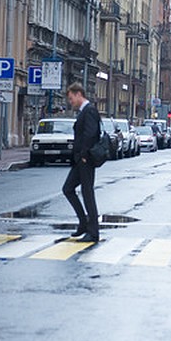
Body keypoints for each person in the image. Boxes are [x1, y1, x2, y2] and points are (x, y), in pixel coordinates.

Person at [62, 82, 101, 243]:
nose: (71, 102)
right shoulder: (83, 111)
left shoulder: (89, 110)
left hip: (85, 159)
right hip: (80, 159)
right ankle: (83, 223)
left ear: (79, 94)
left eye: (71, 99)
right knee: (68, 189)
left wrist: (84, 154)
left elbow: (91, 134)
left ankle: (93, 231)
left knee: (87, 193)